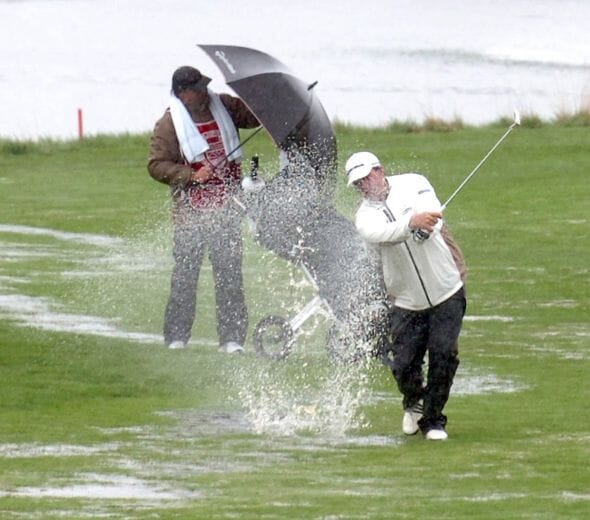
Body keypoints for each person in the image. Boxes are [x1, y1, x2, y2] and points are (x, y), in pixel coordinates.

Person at [346, 151, 467, 441]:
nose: (364, 186)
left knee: (443, 353)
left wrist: (427, 225)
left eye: (366, 178)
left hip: (446, 288)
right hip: (405, 298)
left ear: (379, 170)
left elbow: (433, 212)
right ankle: (413, 403)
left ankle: (434, 420)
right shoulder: (364, 217)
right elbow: (382, 234)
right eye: (358, 184)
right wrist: (412, 224)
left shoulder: (414, 182)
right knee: (403, 363)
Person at [148, 66, 259, 353]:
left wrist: (264, 105)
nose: (203, 92)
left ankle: (232, 340)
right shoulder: (168, 124)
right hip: (190, 215)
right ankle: (176, 338)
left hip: (228, 210)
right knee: (185, 278)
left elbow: (251, 117)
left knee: (230, 277)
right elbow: (156, 165)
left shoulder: (223, 104)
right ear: (183, 94)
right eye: (197, 89)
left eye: (203, 87)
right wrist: (191, 175)